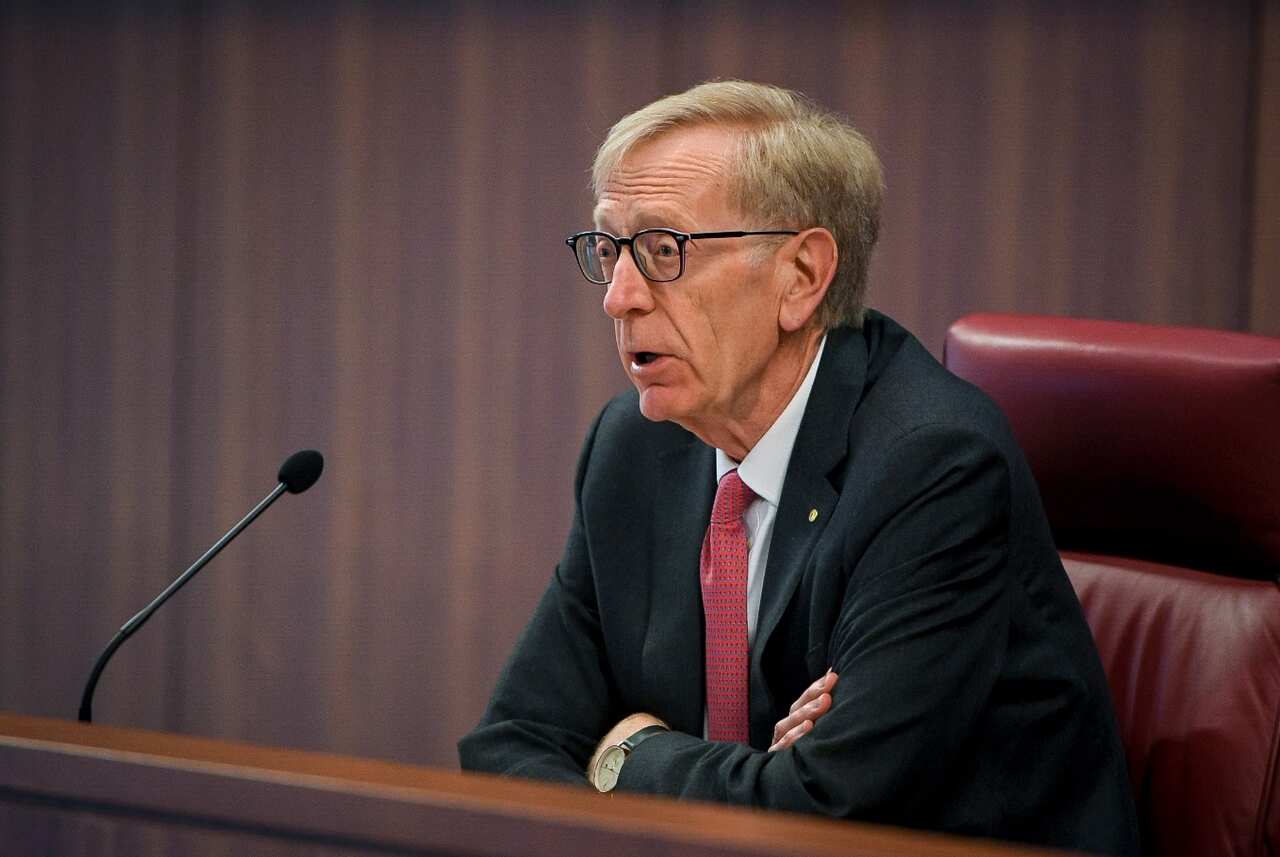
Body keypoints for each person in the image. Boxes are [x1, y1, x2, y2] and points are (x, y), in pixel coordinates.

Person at [458, 81, 1139, 856]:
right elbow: (507, 745)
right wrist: (749, 773)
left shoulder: (931, 465)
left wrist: (625, 752)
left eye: (663, 250)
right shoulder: (636, 448)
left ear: (802, 276)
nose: (619, 297)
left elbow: (826, 815)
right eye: (609, 249)